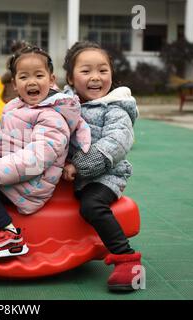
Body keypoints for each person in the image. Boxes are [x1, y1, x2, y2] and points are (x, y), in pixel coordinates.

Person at [0, 46, 91, 258]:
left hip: (30, 185)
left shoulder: (52, 116)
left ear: (51, 80)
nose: (31, 82)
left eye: (38, 75)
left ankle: (8, 234)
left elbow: (37, 158)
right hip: (13, 174)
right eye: (24, 76)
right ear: (14, 84)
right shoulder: (16, 107)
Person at [61, 41, 143, 291]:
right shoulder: (61, 103)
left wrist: (80, 165)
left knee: (91, 205)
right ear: (71, 78)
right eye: (86, 71)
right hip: (64, 174)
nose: (96, 77)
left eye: (103, 70)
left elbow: (115, 142)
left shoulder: (116, 108)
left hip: (105, 176)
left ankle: (126, 259)